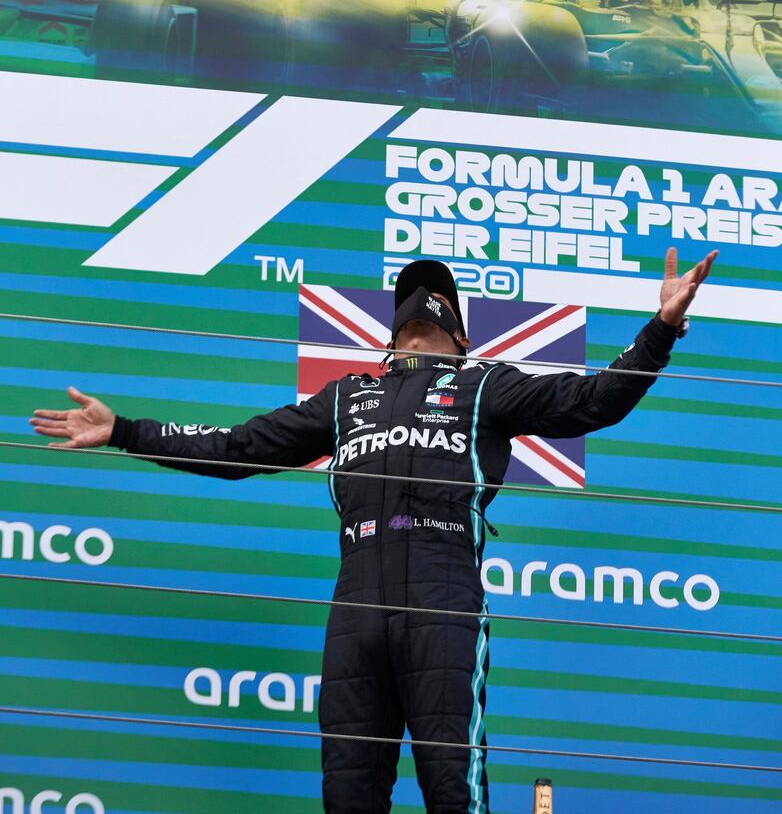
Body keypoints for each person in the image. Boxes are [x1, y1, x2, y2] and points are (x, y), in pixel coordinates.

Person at [31, 247, 716, 814]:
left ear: (463, 336)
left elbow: (596, 400)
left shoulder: (485, 386)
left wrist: (660, 327)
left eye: (438, 297)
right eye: (412, 298)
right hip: (356, 600)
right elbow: (238, 448)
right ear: (387, 335)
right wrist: (124, 431)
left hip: (442, 593)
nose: (423, 303)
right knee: (349, 796)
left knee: (454, 792)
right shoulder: (346, 396)